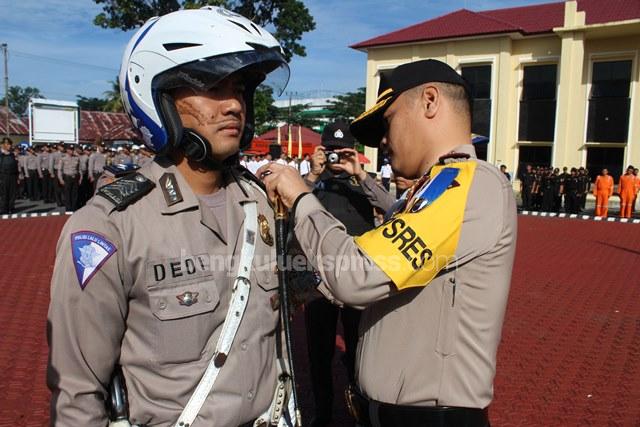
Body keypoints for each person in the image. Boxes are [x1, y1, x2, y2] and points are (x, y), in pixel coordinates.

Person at [47, 7, 298, 427]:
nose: (235, 104)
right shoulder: (110, 226)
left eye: (239, 88)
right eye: (213, 87)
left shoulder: (263, 205)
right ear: (159, 96)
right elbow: (77, 394)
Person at [259, 59, 517, 427]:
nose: (383, 139)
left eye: (388, 121)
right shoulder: (431, 189)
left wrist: (301, 198)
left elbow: (358, 274)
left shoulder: (468, 182)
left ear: (430, 102)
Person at [302, 120, 391, 427]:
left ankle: (360, 413)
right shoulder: (313, 180)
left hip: (358, 278)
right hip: (320, 281)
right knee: (318, 353)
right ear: (321, 151)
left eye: (343, 151)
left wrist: (361, 174)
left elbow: (392, 207)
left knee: (359, 352)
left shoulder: (365, 181)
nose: (337, 158)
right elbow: (287, 205)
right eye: (331, 151)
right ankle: (323, 414)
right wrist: (313, 172)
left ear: (354, 151)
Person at [0, 137, 19, 214]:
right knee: (4, 193)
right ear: (3, 145)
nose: (9, 146)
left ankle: (11, 208)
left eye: (9, 144)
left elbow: (16, 166)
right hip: (3, 176)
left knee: (12, 193)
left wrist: (17, 177)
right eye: (7, 144)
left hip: (13, 176)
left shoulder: (12, 155)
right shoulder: (1, 155)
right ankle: (4, 209)